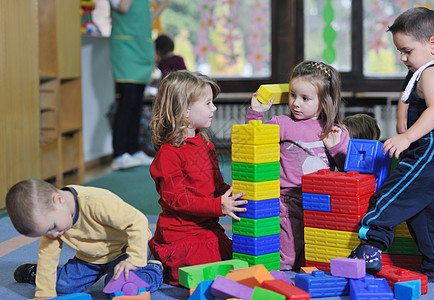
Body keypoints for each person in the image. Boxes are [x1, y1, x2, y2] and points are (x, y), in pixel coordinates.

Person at [349, 7, 434, 278]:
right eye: (399, 51)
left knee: (392, 193)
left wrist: (409, 136)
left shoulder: (430, 73)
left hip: (428, 149)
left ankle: (371, 245)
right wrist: (404, 124)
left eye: (407, 51)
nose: (402, 57)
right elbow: (407, 97)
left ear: (433, 44)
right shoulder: (421, 72)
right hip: (427, 147)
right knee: (423, 210)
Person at [246, 60, 350, 271]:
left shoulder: (336, 131)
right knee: (287, 260)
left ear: (325, 101)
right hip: (287, 202)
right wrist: (257, 113)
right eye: (293, 95)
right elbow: (252, 142)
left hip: (319, 202)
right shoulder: (282, 123)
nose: (296, 103)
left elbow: (346, 171)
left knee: (315, 259)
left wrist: (336, 148)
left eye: (305, 98)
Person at [148, 70, 247, 285]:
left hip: (207, 228)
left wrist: (239, 197)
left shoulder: (207, 145)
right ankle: (156, 262)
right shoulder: (168, 154)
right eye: (208, 103)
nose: (214, 108)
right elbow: (177, 199)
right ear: (184, 110)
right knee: (202, 271)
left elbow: (217, 185)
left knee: (237, 259)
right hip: (181, 231)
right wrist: (217, 207)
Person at [6, 178, 163, 299]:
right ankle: (36, 273)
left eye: (53, 227)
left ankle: (154, 267)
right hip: (90, 259)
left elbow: (138, 222)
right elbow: (48, 255)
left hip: (124, 252)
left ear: (58, 201)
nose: (53, 235)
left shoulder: (97, 203)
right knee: (61, 286)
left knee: (121, 287)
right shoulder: (52, 222)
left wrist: (134, 259)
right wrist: (43, 293)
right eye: (47, 232)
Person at [109, 0, 168, 170]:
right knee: (127, 100)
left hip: (142, 47)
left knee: (136, 103)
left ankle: (133, 150)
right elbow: (123, 7)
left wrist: (155, 12)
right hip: (125, 47)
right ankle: (119, 154)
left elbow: (156, 11)